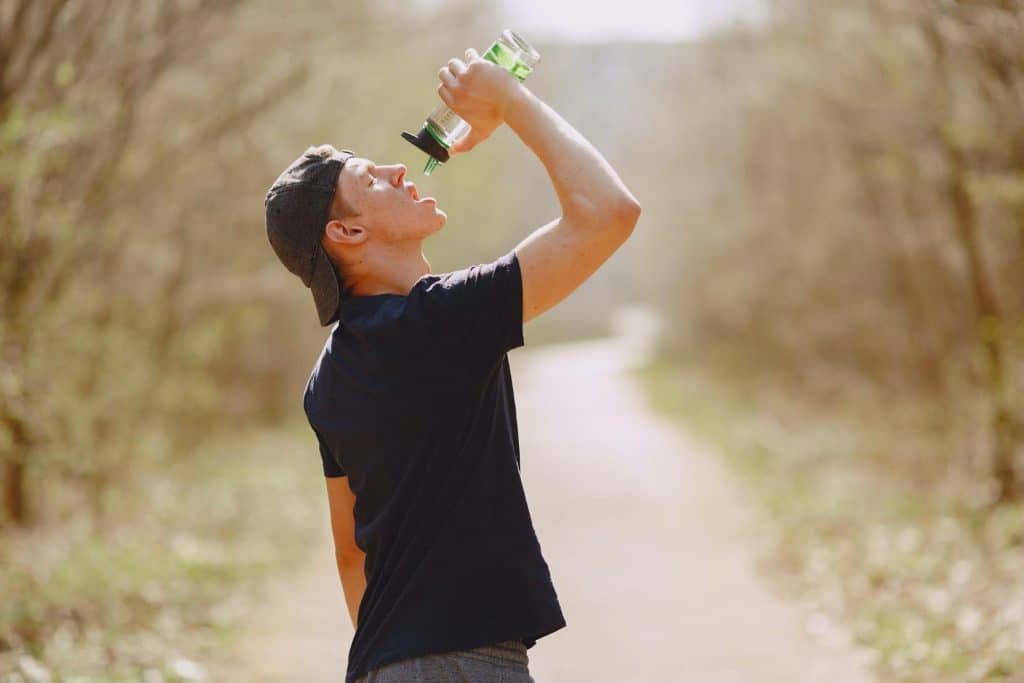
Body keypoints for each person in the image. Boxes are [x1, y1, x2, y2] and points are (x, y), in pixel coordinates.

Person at [263, 47, 640, 683]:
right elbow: (609, 212)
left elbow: (353, 555)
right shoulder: (440, 323)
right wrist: (511, 103)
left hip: (384, 663)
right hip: (463, 664)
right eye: (369, 179)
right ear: (347, 236)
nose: (395, 168)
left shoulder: (327, 378)